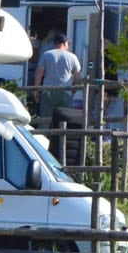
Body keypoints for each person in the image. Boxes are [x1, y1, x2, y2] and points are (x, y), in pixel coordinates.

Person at [32, 30, 84, 162]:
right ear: (65, 43)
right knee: (63, 122)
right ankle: (62, 154)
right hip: (65, 92)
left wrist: (37, 90)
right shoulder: (72, 57)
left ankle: (40, 152)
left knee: (45, 122)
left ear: (55, 43)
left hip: (48, 91)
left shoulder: (47, 55)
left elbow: (39, 73)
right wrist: (73, 90)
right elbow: (78, 77)